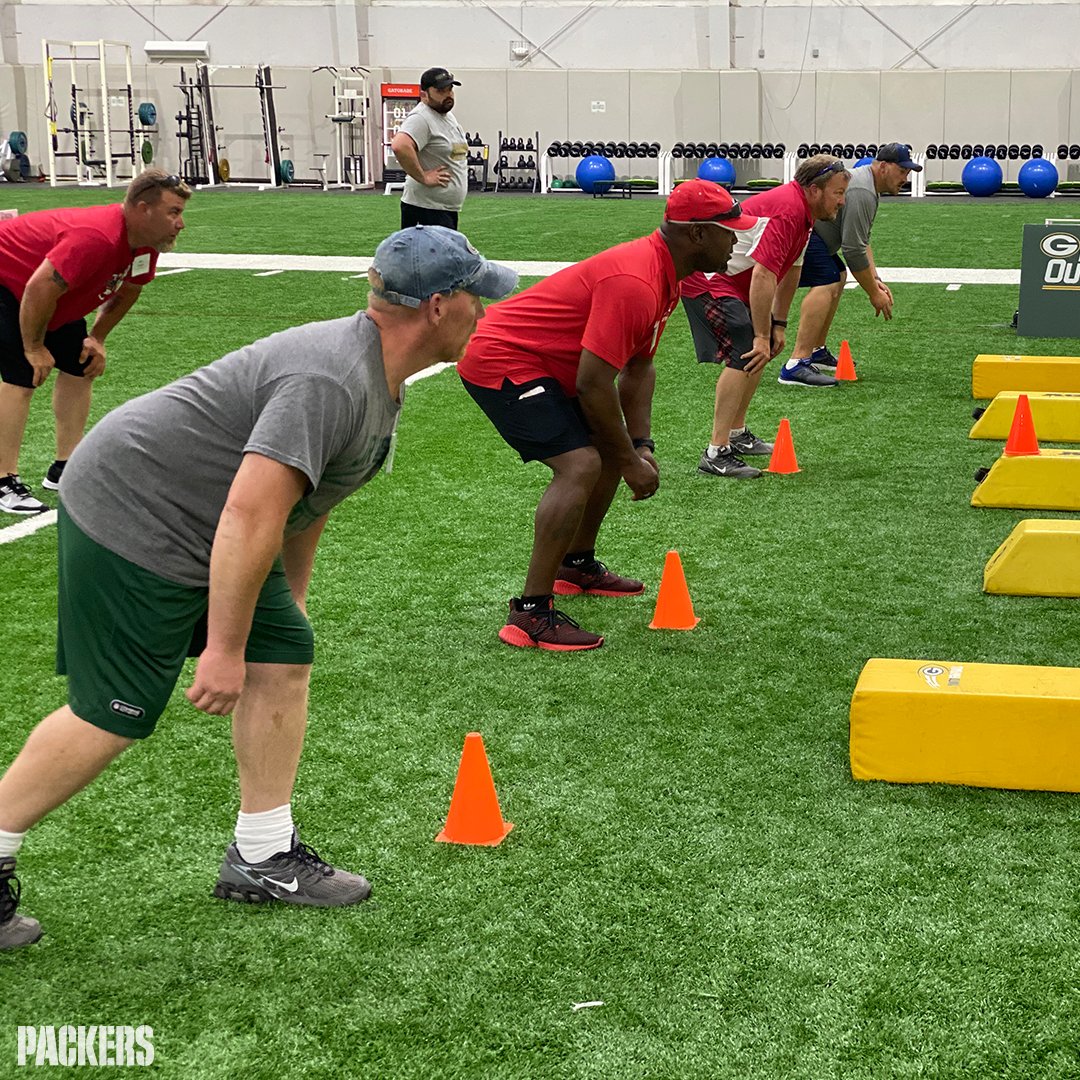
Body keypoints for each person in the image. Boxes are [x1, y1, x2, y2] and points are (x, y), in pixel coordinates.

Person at [0, 225, 517, 950]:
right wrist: (224, 647)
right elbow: (252, 510)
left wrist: (286, 608)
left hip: (208, 522)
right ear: (437, 306)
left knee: (284, 657)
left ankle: (263, 855)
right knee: (113, 711)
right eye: (474, 297)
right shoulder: (331, 378)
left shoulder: (377, 376)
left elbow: (309, 500)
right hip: (135, 509)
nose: (483, 311)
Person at [457, 179, 760, 651]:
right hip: (501, 357)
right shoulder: (636, 280)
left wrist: (641, 446)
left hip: (551, 363)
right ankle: (531, 613)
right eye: (728, 229)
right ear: (697, 234)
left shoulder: (668, 275)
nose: (736, 239)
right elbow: (594, 383)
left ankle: (574, 565)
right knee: (582, 464)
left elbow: (638, 369)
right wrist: (628, 462)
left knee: (606, 450)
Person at [0, 168, 190, 515]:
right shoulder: (97, 237)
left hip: (46, 294)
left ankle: (65, 465)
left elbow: (129, 291)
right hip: (8, 279)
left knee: (81, 363)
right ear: (143, 209)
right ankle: (2, 479)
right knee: (21, 375)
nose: (180, 223)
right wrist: (33, 346)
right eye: (173, 212)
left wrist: (96, 337)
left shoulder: (145, 244)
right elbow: (38, 288)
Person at [681, 155, 850, 480]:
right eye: (837, 193)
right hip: (711, 279)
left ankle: (736, 432)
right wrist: (760, 334)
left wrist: (777, 324)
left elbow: (791, 272)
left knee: (759, 350)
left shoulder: (804, 212)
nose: (842, 201)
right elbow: (763, 275)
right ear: (814, 190)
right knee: (745, 350)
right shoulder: (789, 209)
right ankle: (716, 452)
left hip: (734, 281)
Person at [787, 142, 921, 372]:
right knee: (827, 279)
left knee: (837, 274)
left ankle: (816, 351)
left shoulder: (869, 187)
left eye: (908, 172)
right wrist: (873, 294)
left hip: (813, 232)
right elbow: (852, 250)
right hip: (805, 230)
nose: (905, 178)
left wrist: (875, 279)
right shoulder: (863, 191)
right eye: (902, 171)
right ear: (883, 167)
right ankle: (797, 362)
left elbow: (862, 241)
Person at [389, 67, 468, 230]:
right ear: (424, 94)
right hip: (426, 209)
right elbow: (400, 145)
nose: (448, 94)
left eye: (450, 89)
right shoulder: (421, 118)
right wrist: (423, 177)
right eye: (441, 90)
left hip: (442, 209)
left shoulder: (445, 115)